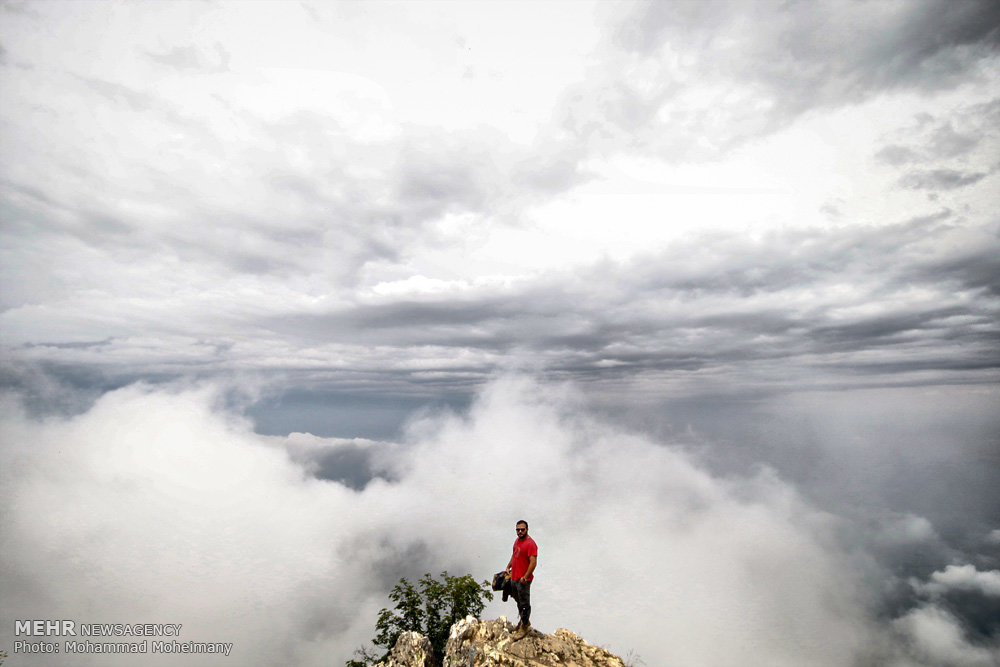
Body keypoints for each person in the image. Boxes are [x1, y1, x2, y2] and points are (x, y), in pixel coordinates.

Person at [505, 519, 537, 638]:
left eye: (522, 529)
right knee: (518, 601)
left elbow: (533, 563)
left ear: (527, 529)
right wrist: (509, 566)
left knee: (524, 604)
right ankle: (523, 622)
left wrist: (525, 577)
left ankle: (524, 628)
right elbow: (515, 555)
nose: (520, 532)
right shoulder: (517, 541)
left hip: (523, 579)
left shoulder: (531, 544)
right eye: (517, 530)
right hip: (514, 577)